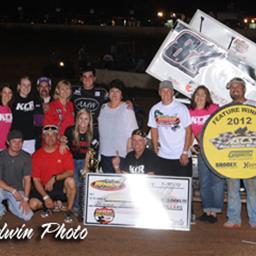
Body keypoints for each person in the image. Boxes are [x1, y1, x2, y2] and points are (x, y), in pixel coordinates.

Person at [189, 85, 225, 223]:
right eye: (197, 94)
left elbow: (223, 125)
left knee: (217, 181)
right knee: (204, 182)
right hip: (202, 151)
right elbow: (188, 131)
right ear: (194, 97)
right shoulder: (190, 112)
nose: (200, 97)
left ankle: (214, 212)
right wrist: (191, 146)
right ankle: (207, 210)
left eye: (203, 94)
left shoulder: (213, 109)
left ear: (207, 97)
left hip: (216, 150)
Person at [223, 77, 256, 229]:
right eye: (232, 88)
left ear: (244, 89)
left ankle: (254, 219)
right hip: (232, 156)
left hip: (250, 156)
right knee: (232, 189)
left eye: (237, 87)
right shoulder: (225, 110)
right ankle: (234, 218)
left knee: (252, 189)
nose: (235, 89)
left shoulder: (253, 106)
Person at [29, 124, 76, 223]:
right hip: (43, 187)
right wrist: (45, 197)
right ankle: (54, 205)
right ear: (43, 137)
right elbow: (36, 180)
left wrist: (54, 178)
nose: (50, 138)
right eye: (47, 135)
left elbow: (70, 172)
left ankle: (68, 210)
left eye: (53, 135)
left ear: (57, 137)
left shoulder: (64, 151)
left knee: (71, 181)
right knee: (32, 204)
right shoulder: (36, 155)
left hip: (59, 185)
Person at [147, 80, 192, 177]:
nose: (166, 93)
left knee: (182, 188)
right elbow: (154, 129)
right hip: (163, 156)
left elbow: (189, 131)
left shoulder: (181, 108)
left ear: (172, 92)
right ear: (159, 93)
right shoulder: (154, 109)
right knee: (164, 188)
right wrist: (155, 148)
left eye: (168, 90)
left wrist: (185, 152)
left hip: (180, 156)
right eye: (163, 90)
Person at [98, 79, 138, 173]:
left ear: (122, 95)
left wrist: (130, 153)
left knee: (121, 185)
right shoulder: (103, 108)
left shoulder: (127, 108)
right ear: (108, 94)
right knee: (107, 185)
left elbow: (133, 132)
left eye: (118, 91)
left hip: (121, 155)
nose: (114, 94)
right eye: (112, 91)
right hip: (104, 154)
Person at [64, 108, 93, 214]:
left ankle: (84, 206)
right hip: (71, 159)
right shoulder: (70, 130)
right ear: (77, 119)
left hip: (85, 159)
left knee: (84, 182)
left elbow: (90, 152)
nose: (83, 122)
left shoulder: (93, 133)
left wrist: (86, 167)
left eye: (86, 119)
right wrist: (62, 142)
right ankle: (76, 207)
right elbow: (64, 142)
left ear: (90, 120)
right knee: (75, 182)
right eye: (81, 118)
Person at [0, 130, 33, 221]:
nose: (17, 144)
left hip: (18, 190)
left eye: (20, 142)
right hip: (2, 188)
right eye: (14, 141)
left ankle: (12, 205)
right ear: (8, 142)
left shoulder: (26, 157)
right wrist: (12, 190)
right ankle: (1, 210)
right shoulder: (1, 156)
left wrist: (25, 199)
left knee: (28, 216)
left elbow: (27, 179)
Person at [71, 66, 108, 138]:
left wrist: (127, 103)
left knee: (93, 149)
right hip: (78, 128)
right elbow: (60, 96)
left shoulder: (102, 92)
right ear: (81, 79)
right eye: (84, 77)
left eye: (90, 76)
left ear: (94, 78)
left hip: (95, 129)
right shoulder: (74, 90)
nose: (87, 79)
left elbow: (114, 101)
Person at [11, 76, 35, 154]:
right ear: (19, 86)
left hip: (30, 139)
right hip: (15, 139)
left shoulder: (34, 99)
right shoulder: (12, 100)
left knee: (28, 164)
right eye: (24, 85)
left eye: (28, 85)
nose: (26, 87)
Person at [34, 76, 53, 149]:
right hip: (37, 139)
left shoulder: (55, 101)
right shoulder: (33, 101)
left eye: (46, 86)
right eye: (41, 86)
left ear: (50, 88)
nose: (44, 88)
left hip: (53, 138)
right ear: (38, 88)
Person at [0, 84, 13, 151]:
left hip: (5, 147)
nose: (7, 95)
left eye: (9, 93)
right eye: (5, 92)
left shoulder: (10, 109)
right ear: (1, 93)